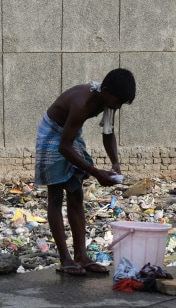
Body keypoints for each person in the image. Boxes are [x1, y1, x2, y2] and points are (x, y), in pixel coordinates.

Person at [34, 68, 136, 276]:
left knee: (76, 193)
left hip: (70, 135)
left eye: (121, 104)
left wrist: (115, 162)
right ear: (105, 91)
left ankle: (81, 256)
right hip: (53, 134)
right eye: (117, 102)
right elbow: (64, 147)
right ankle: (65, 259)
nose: (117, 107)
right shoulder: (82, 104)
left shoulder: (109, 100)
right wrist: (95, 172)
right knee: (55, 196)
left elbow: (108, 132)